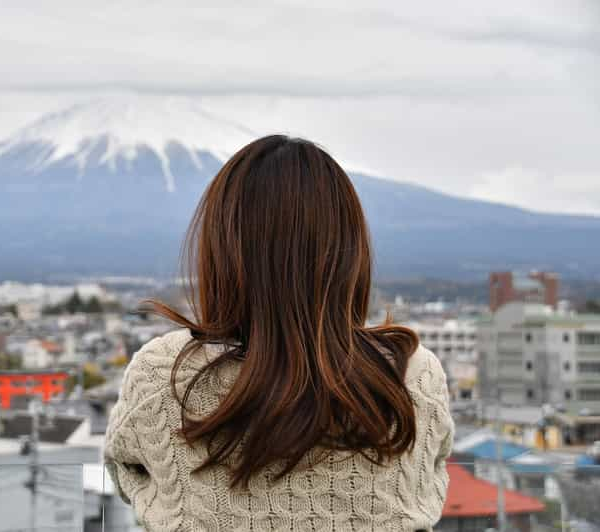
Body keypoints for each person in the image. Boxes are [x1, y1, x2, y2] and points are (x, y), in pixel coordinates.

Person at [105, 135, 454, 531]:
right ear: (351, 249)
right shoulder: (410, 374)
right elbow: (429, 481)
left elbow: (127, 471)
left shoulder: (166, 372)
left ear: (222, 246)